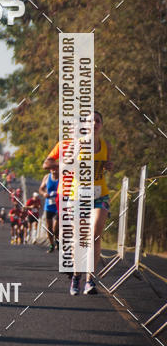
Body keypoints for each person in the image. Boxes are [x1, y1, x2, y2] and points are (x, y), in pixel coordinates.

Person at [68, 111, 114, 295]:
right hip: (79, 196)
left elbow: (108, 165)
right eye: (90, 121)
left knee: (95, 235)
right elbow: (67, 166)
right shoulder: (76, 143)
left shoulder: (106, 145)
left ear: (101, 125)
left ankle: (90, 280)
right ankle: (76, 277)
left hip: (100, 195)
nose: (94, 123)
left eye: (97, 121)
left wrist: (109, 166)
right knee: (80, 239)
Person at [39, 168, 59, 252]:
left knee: (56, 227)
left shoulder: (62, 177)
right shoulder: (47, 177)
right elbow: (41, 189)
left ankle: (57, 241)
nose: (54, 170)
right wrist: (44, 193)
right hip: (49, 205)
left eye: (56, 168)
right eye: (52, 169)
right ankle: (51, 245)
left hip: (58, 205)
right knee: (49, 227)